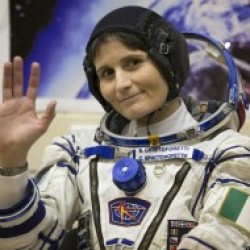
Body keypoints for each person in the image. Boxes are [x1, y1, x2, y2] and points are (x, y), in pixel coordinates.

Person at [0, 5, 250, 250]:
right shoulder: (78, 154)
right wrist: (11, 161)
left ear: (169, 61)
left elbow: (225, 235)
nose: (121, 84)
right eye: (107, 73)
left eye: (133, 63)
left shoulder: (230, 156)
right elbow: (31, 241)